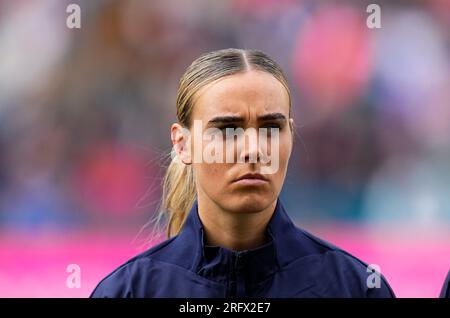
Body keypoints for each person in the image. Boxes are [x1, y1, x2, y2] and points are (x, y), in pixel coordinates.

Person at [91, 48, 395, 298]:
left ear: (291, 135)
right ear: (182, 144)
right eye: (227, 130)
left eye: (271, 128)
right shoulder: (129, 292)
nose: (253, 150)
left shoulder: (354, 289)